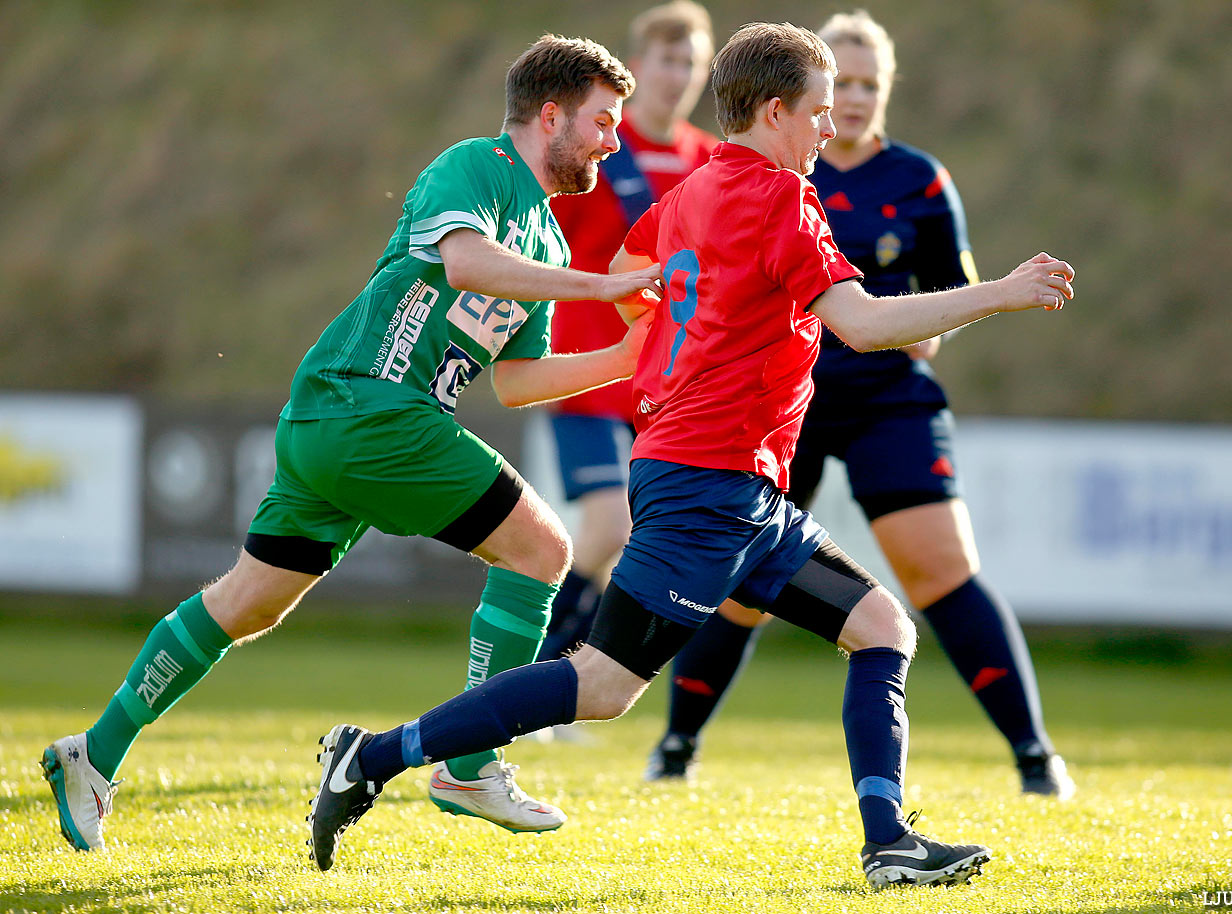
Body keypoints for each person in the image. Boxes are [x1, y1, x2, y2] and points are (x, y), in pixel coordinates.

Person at [308, 22, 1074, 889]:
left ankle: (889, 840)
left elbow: (638, 267)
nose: (832, 128)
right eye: (820, 111)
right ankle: (371, 757)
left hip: (738, 486)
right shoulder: (782, 199)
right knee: (599, 684)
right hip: (709, 483)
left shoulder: (697, 189)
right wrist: (1001, 295)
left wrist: (689, 347)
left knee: (882, 627)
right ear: (775, 110)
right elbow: (860, 326)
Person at [39, 35, 662, 853]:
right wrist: (605, 286)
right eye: (602, 122)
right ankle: (468, 764)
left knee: (246, 604)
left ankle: (94, 753)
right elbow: (467, 262)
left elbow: (516, 379)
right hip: (372, 408)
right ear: (549, 116)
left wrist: (623, 357)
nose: (613, 141)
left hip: (339, 419)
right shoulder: (475, 166)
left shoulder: (546, 238)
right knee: (544, 551)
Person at [643, 10, 1074, 802]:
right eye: (841, 85)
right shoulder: (764, 175)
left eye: (871, 84)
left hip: (886, 399)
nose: (854, 101)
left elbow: (929, 309)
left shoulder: (919, 179)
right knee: (743, 589)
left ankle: (1035, 756)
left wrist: (958, 311)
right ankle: (676, 746)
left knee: (940, 571)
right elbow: (668, 278)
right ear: (793, 99)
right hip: (780, 405)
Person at [538, 1, 717, 669]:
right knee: (610, 524)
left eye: (692, 62)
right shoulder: (600, 147)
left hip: (668, 376)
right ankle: (542, 669)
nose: (680, 75)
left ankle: (574, 680)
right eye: (668, 60)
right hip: (590, 363)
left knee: (646, 539)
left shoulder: (711, 159)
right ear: (638, 68)